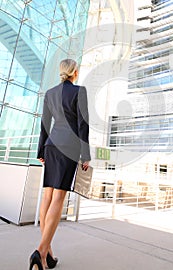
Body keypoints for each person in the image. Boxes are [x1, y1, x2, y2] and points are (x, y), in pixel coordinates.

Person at [29, 59, 91, 270]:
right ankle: (40, 252)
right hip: (68, 148)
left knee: (47, 197)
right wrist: (86, 155)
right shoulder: (79, 92)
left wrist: (40, 150)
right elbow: (83, 125)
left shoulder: (50, 93)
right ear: (74, 72)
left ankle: (47, 256)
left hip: (50, 146)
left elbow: (44, 124)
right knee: (58, 198)